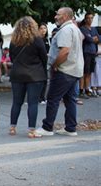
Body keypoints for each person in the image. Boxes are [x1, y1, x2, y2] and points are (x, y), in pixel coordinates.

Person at [35, 7, 84, 137]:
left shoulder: (66, 30)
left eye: (58, 14)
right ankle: (70, 128)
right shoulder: (75, 29)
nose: (55, 16)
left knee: (52, 99)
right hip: (75, 70)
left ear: (66, 16)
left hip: (64, 70)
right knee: (70, 100)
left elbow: (65, 51)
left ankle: (47, 127)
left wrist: (55, 65)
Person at [8, 17, 47, 138]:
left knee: (16, 102)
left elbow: (12, 57)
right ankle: (31, 130)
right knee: (32, 103)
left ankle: (12, 127)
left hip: (17, 74)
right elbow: (44, 57)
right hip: (35, 75)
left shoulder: (14, 41)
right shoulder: (37, 40)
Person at [79, 13, 99, 98]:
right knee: (84, 71)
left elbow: (99, 38)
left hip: (93, 52)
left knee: (90, 72)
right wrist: (93, 38)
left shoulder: (94, 29)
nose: (90, 20)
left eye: (91, 18)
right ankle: (81, 90)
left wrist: (93, 38)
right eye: (88, 18)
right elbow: (88, 39)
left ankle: (87, 89)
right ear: (85, 19)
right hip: (86, 52)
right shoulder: (83, 28)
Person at [38, 23, 50, 103]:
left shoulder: (47, 40)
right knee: (39, 80)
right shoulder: (37, 40)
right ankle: (38, 97)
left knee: (45, 80)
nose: (43, 30)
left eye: (44, 28)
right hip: (38, 63)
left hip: (46, 62)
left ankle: (42, 97)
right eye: (41, 28)